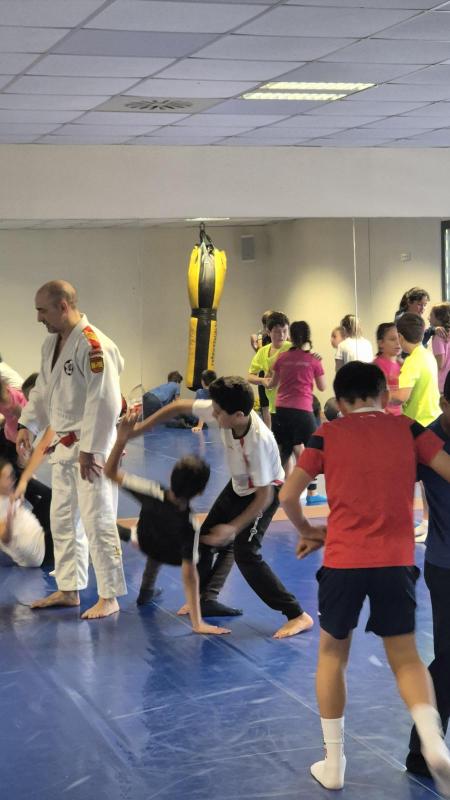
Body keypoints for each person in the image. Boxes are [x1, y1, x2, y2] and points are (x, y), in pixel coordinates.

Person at [279, 361, 450, 797]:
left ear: (339, 402)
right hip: (395, 561)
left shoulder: (326, 433)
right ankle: (434, 743)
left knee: (332, 655)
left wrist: (308, 530)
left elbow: (287, 494)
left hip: (343, 561)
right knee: (407, 657)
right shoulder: (408, 428)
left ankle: (334, 763)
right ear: (384, 395)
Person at [131, 376, 313, 639]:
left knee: (246, 553)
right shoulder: (224, 410)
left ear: (239, 415)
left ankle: (297, 614)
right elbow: (177, 406)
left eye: (217, 412)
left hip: (265, 491)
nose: (213, 415)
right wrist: (139, 429)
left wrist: (234, 527)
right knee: (204, 540)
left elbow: (263, 497)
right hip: (239, 485)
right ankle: (205, 598)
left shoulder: (258, 442)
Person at [16, 280, 126, 620]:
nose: (39, 318)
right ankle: (69, 589)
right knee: (62, 520)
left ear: (63, 306)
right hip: (64, 447)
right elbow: (42, 390)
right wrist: (27, 424)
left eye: (42, 310)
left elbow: (105, 402)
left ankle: (109, 595)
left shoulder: (94, 346)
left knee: (98, 520)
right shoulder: (51, 344)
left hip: (90, 448)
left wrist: (91, 449)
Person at [104, 413, 230, 635]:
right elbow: (189, 574)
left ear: (172, 475)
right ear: (201, 491)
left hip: (146, 541)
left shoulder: (151, 492)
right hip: (171, 553)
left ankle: (146, 589)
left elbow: (110, 472)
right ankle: (201, 596)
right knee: (206, 550)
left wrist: (121, 439)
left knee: (156, 537)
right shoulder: (190, 524)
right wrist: (197, 623)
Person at [406, 371, 450, 780]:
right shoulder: (427, 442)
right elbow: (393, 483)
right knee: (449, 659)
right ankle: (422, 749)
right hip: (445, 564)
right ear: (444, 404)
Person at [265, 321, 327, 504]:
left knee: (283, 452)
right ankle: (312, 492)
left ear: (290, 336)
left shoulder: (282, 358)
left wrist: (264, 381)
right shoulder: (313, 360)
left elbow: (272, 384)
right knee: (314, 451)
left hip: (282, 410)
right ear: (308, 337)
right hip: (303, 411)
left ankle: (271, 495)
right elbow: (322, 387)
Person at [0, 457, 50, 568]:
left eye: (12, 475)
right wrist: (9, 518)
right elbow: (5, 538)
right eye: (8, 477)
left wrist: (18, 502)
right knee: (55, 503)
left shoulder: (6, 493)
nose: (12, 479)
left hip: (38, 534)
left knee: (50, 497)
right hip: (40, 551)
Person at [248, 312, 291, 430]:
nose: (281, 335)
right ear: (268, 332)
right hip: (275, 406)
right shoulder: (262, 351)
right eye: (277, 332)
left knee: (295, 440)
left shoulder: (292, 348)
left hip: (293, 406)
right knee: (278, 438)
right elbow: (250, 376)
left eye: (285, 331)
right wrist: (262, 380)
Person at [250, 310, 276, 429]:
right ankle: (269, 430)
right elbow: (260, 353)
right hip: (267, 371)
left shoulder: (259, 336)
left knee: (267, 404)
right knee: (266, 404)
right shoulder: (261, 336)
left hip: (270, 371)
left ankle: (270, 430)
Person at [373, 322, 402, 416]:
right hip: (384, 416)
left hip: (399, 415)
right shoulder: (377, 366)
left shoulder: (401, 364)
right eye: (392, 339)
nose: (398, 343)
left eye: (399, 338)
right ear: (380, 343)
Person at [430, 302, 450, 394]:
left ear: (439, 318)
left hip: (444, 384)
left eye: (431, 315)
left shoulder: (438, 336)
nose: (428, 318)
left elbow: (440, 364)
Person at [192, 369, 217, 433]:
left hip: (199, 419)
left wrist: (199, 426)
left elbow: (201, 409)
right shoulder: (216, 392)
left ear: (202, 381)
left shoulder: (200, 392)